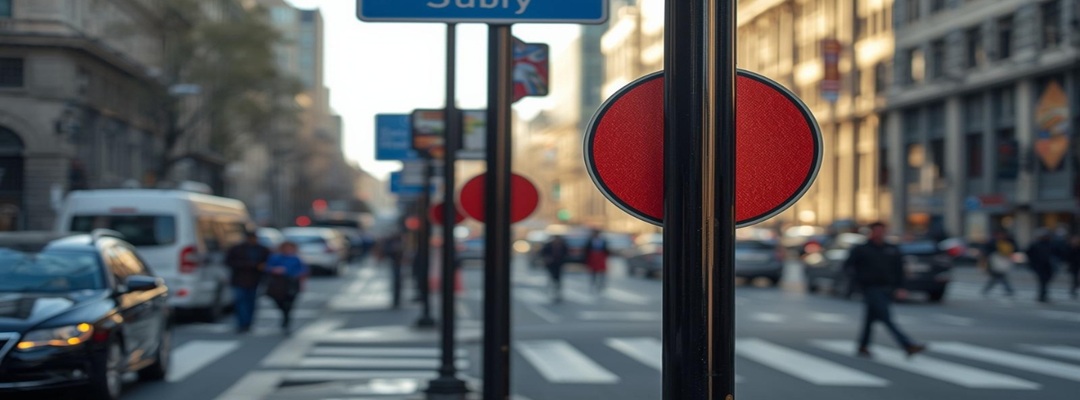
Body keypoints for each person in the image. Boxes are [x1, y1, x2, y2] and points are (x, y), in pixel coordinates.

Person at [844, 222, 926, 358]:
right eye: (877, 231)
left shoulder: (891, 249)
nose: (880, 233)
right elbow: (848, 267)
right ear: (871, 232)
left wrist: (901, 287)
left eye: (882, 231)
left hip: (887, 287)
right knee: (886, 317)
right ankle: (907, 344)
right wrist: (857, 283)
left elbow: (899, 270)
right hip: (870, 288)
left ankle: (863, 346)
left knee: (870, 318)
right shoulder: (862, 249)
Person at [224, 231, 271, 333]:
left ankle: (248, 323)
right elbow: (229, 261)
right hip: (240, 279)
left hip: (254, 280)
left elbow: (268, 263)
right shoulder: (237, 249)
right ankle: (242, 323)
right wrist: (251, 265)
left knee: (251, 302)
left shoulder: (262, 250)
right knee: (241, 302)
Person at [265, 241, 308, 333]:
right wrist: (275, 270)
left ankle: (286, 320)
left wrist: (301, 281)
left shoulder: (296, 259)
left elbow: (303, 271)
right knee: (279, 301)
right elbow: (267, 268)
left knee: (289, 303)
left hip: (292, 283)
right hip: (279, 284)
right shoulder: (276, 257)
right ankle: (285, 316)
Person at [981, 231, 1017, 297]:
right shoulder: (993, 242)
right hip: (995, 261)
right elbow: (986, 250)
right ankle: (1008, 290)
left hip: (1002, 261)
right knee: (999, 276)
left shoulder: (1007, 241)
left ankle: (987, 289)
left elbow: (1015, 248)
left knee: (998, 276)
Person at [1026, 230, 1058, 303]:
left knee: (1045, 280)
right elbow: (1029, 253)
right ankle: (1042, 295)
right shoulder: (1035, 244)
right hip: (1039, 265)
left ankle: (1043, 295)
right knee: (1042, 281)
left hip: (1048, 265)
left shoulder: (1051, 244)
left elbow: (1057, 252)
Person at [540, 235, 569, 303]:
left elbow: (566, 253)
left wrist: (563, 260)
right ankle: (552, 289)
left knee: (558, 278)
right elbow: (542, 253)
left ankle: (557, 291)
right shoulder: (548, 245)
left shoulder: (563, 245)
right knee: (552, 277)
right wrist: (547, 258)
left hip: (559, 264)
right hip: (551, 264)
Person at [1069, 235, 1080, 299]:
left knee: (1076, 279)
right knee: (1074, 278)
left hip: (1077, 265)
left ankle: (1074, 288)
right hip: (1074, 265)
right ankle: (1073, 289)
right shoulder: (1071, 248)